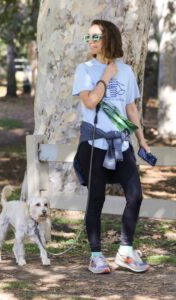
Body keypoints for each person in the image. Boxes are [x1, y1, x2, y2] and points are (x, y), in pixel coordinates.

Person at [72, 19, 150, 274]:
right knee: (96, 198)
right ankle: (96, 255)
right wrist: (105, 76)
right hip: (94, 145)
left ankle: (125, 251)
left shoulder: (126, 71)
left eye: (95, 36)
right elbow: (92, 102)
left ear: (109, 39)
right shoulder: (84, 70)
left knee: (135, 195)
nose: (90, 41)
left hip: (121, 144)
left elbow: (130, 108)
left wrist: (142, 141)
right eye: (88, 37)